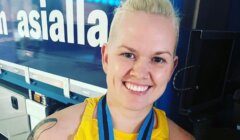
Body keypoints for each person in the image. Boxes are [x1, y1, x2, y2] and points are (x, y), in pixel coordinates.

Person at [29, 0, 195, 139]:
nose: (140, 72)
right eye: (128, 54)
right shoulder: (52, 135)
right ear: (106, 57)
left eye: (158, 59)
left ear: (171, 68)